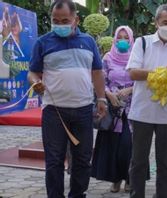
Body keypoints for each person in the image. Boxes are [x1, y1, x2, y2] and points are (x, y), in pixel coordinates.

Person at [27, 0, 106, 197]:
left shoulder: (88, 42)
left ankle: (78, 195)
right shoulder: (43, 42)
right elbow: (32, 72)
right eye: (55, 20)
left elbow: (97, 72)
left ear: (76, 20)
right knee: (54, 160)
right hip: (54, 111)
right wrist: (35, 82)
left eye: (65, 20)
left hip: (83, 109)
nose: (59, 24)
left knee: (82, 159)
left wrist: (102, 99)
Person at [126, 4, 167, 198]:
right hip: (142, 112)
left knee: (165, 164)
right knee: (138, 161)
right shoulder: (142, 43)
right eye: (166, 23)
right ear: (156, 22)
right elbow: (133, 73)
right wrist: (160, 72)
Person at [91, 26, 135, 193]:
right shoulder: (108, 57)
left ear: (131, 40)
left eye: (126, 37)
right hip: (112, 108)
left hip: (132, 108)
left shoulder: (136, 58)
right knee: (112, 146)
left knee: (128, 145)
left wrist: (129, 90)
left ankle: (130, 178)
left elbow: (142, 80)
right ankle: (115, 180)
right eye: (119, 37)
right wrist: (108, 94)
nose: (122, 41)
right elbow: (100, 78)